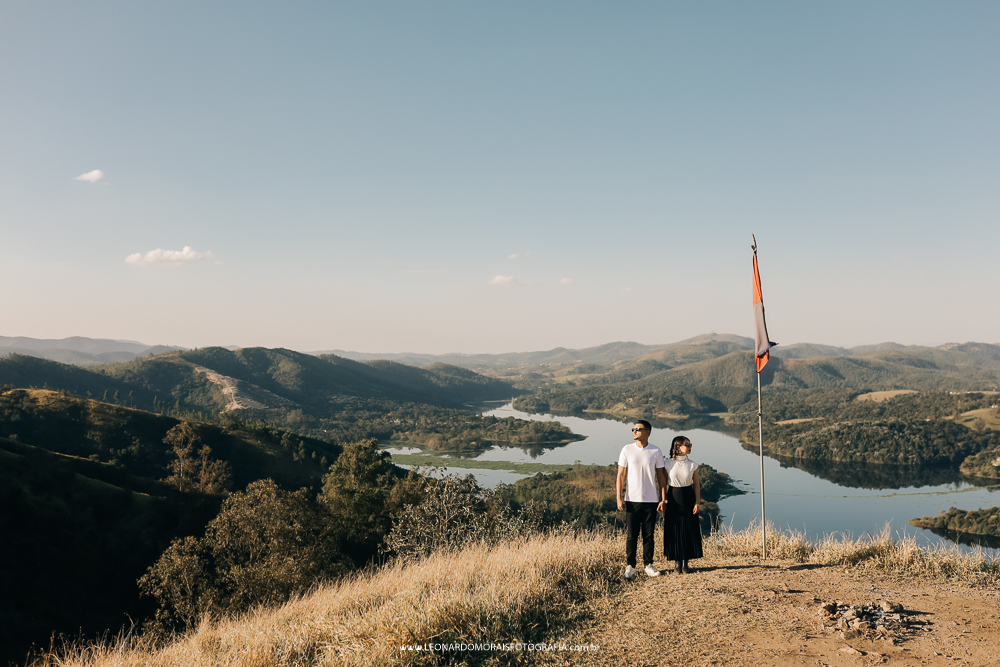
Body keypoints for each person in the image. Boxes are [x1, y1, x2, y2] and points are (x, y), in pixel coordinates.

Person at [616, 420, 667, 580]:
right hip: (631, 500)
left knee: (649, 535)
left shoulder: (656, 451)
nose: (634, 431)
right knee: (631, 535)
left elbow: (661, 477)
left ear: (647, 432)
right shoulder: (627, 449)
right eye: (633, 429)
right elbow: (621, 475)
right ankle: (630, 566)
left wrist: (663, 499)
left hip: (651, 500)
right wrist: (619, 497)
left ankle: (648, 565)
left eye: (638, 429)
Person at [663, 435, 703, 573]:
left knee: (688, 528)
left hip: (688, 496)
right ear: (678, 446)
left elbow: (696, 484)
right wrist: (663, 500)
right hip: (673, 497)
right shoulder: (667, 463)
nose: (690, 446)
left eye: (690, 444)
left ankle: (685, 563)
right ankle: (676, 563)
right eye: (687, 444)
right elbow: (662, 484)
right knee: (674, 529)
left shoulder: (693, 464)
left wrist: (697, 502)